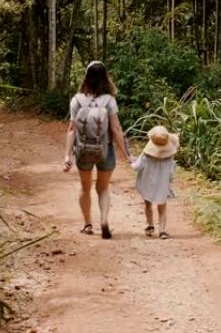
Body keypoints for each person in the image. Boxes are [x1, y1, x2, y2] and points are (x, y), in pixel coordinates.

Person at [63, 61, 134, 239]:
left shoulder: (77, 100)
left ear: (86, 78)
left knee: (85, 187)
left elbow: (72, 130)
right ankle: (103, 220)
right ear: (105, 78)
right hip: (106, 150)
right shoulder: (109, 100)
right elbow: (117, 130)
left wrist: (67, 155)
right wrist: (128, 155)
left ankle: (87, 224)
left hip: (82, 150)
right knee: (103, 188)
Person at [131, 125, 179, 239]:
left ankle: (150, 226)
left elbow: (137, 166)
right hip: (162, 184)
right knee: (162, 208)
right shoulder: (169, 157)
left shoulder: (146, 154)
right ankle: (162, 230)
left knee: (148, 205)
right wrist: (169, 181)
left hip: (147, 183)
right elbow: (171, 173)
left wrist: (132, 160)